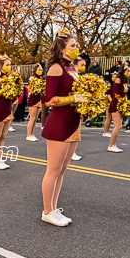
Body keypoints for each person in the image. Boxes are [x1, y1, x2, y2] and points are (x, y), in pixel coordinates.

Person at [40, 29, 88, 226]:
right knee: (53, 170)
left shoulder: (73, 69)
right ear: (62, 48)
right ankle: (47, 211)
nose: (77, 48)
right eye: (73, 46)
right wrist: (75, 98)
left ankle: (54, 208)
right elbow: (49, 100)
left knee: (61, 171)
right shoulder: (56, 68)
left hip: (73, 123)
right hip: (59, 124)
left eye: (76, 45)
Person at [107, 63, 130, 153]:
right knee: (118, 126)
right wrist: (123, 102)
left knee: (118, 126)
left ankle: (113, 144)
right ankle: (111, 145)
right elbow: (116, 94)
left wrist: (126, 102)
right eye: (127, 71)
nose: (129, 72)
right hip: (116, 104)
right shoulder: (118, 80)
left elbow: (125, 94)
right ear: (123, 71)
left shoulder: (125, 81)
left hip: (121, 104)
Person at [26, 63, 44, 142]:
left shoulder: (41, 79)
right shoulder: (32, 78)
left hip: (39, 99)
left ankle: (32, 134)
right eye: (39, 70)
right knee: (32, 118)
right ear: (35, 70)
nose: (40, 71)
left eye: (41, 70)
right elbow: (31, 89)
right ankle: (28, 135)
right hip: (33, 99)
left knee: (36, 118)